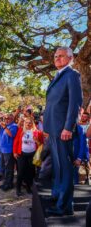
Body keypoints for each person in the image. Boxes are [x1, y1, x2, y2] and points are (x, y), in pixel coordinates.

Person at [43, 47, 83, 216]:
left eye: (61, 56)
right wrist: (46, 128)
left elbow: (75, 103)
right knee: (57, 167)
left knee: (65, 168)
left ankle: (65, 206)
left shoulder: (72, 75)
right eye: (55, 56)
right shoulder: (58, 76)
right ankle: (57, 195)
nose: (57, 58)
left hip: (63, 130)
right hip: (53, 129)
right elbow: (52, 105)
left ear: (70, 58)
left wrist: (68, 127)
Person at [13, 117, 43, 196]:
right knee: (20, 172)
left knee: (31, 172)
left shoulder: (37, 132)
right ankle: (18, 188)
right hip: (22, 154)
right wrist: (15, 152)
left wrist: (36, 141)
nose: (28, 124)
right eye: (26, 122)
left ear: (32, 123)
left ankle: (28, 187)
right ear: (24, 123)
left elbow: (41, 145)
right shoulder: (20, 130)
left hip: (32, 155)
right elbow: (16, 141)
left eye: (30, 122)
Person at [0, 114, 18, 191]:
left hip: (8, 150)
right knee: (4, 168)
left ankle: (9, 184)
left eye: (8, 118)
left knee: (9, 168)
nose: (6, 119)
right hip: (2, 150)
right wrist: (2, 115)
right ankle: (5, 182)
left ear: (12, 118)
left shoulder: (14, 126)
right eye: (5, 118)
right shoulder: (4, 125)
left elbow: (11, 134)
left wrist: (5, 127)